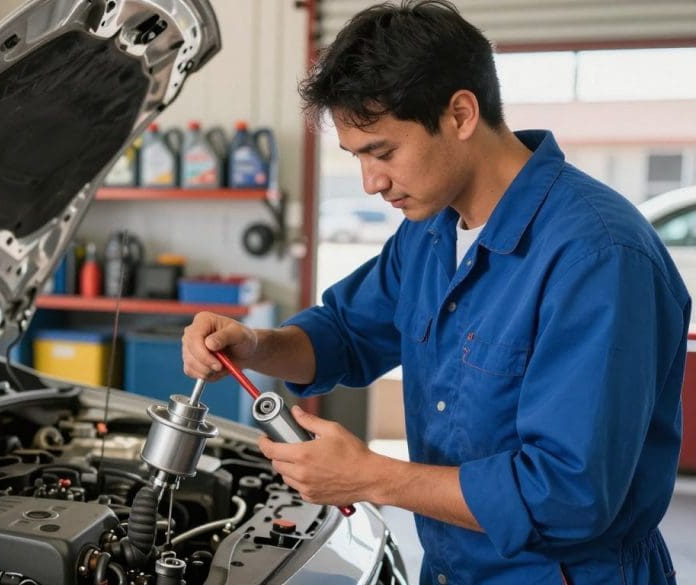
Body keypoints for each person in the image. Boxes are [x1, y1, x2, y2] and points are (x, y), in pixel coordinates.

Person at [181, 1, 688, 583]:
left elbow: (568, 494)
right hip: (451, 568)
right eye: (357, 158)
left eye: (383, 152)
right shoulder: (429, 231)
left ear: (461, 114)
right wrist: (253, 345)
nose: (371, 183)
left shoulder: (596, 257)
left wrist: (372, 476)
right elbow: (346, 334)